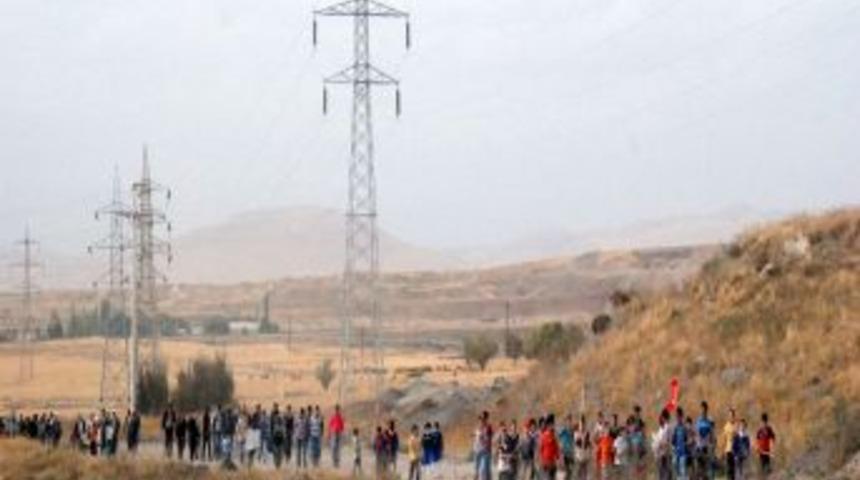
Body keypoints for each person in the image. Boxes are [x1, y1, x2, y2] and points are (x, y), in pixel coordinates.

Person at [695, 401, 716, 480]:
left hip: (706, 448)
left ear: (706, 410)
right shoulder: (698, 420)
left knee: (705, 469)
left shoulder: (709, 421)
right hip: (698, 447)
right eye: (701, 409)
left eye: (704, 409)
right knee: (699, 470)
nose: (702, 411)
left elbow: (712, 434)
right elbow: (696, 433)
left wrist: (712, 444)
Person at [652, 409, 673, 480]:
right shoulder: (665, 428)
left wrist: (658, 443)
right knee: (664, 473)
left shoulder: (667, 428)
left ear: (664, 417)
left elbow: (666, 442)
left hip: (665, 454)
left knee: (665, 474)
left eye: (662, 417)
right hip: (664, 454)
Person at [539, 414, 560, 480]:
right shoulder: (543, 436)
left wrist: (558, 458)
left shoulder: (554, 435)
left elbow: (556, 448)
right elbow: (540, 449)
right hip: (546, 463)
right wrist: (542, 461)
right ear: (548, 425)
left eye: (553, 424)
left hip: (553, 463)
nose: (552, 426)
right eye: (551, 424)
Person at [755, 413, 776, 478]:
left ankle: (768, 477)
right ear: (761, 421)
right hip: (761, 451)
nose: (764, 423)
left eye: (765, 421)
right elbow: (757, 441)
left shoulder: (769, 429)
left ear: (767, 421)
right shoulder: (759, 430)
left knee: (768, 468)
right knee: (762, 467)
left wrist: (772, 451)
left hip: (768, 452)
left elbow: (772, 440)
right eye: (763, 421)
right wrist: (757, 450)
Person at [474, 411, 493, 480]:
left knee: (484, 470)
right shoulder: (478, 427)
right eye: (480, 418)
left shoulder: (488, 427)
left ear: (486, 418)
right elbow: (477, 438)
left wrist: (483, 438)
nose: (481, 420)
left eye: (483, 418)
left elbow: (489, 439)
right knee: (476, 470)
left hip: (485, 451)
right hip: (477, 450)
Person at [672, 408, 690, 480]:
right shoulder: (675, 428)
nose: (677, 418)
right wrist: (673, 446)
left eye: (678, 416)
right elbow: (673, 441)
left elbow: (688, 439)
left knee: (683, 471)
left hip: (683, 453)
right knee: (677, 472)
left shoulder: (684, 427)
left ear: (681, 416)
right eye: (676, 416)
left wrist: (686, 444)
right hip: (677, 453)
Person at [574, 416, 591, 480]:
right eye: (581, 424)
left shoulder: (587, 433)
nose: (582, 425)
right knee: (579, 471)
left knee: (585, 471)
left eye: (583, 424)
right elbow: (577, 443)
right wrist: (581, 437)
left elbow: (588, 443)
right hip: (579, 455)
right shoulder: (576, 433)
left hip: (585, 455)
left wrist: (589, 453)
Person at [329, 404, 346, 469]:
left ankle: (337, 462)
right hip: (334, 433)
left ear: (339, 410)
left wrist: (342, 432)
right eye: (336, 410)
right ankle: (334, 462)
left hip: (339, 433)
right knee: (333, 448)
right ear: (335, 410)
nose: (337, 411)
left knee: (338, 448)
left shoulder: (340, 417)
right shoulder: (333, 417)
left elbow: (342, 426)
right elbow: (330, 425)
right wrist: (330, 433)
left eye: (338, 410)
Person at [723, 409, 738, 480]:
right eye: (729, 415)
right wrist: (723, 451)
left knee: (733, 470)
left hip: (735, 451)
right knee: (728, 470)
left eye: (732, 415)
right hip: (728, 450)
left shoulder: (736, 426)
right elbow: (724, 439)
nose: (731, 417)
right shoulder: (726, 426)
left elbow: (738, 439)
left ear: (734, 416)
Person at [558, 415, 574, 480]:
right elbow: (559, 438)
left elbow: (573, 441)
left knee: (570, 470)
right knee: (564, 471)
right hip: (564, 453)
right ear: (565, 421)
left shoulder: (572, 430)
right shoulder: (563, 430)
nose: (569, 422)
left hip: (570, 452)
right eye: (567, 421)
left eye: (570, 420)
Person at [271, 403, 286, 468]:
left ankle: (278, 464)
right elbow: (270, 425)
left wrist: (284, 435)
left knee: (280, 452)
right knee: (275, 452)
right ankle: (276, 464)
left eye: (276, 407)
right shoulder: (272, 415)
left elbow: (283, 426)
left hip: (280, 436)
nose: (275, 408)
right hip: (274, 436)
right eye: (274, 407)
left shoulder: (279, 416)